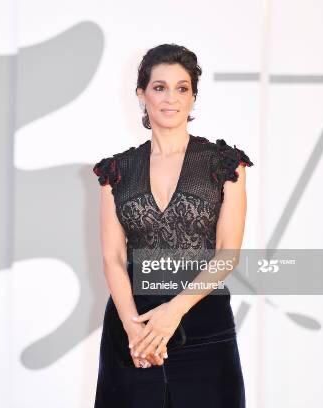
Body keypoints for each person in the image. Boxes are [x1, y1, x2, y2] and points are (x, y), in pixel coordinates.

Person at [92, 44, 252, 408]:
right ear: (141, 93)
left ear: (193, 96)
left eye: (182, 88)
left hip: (203, 323)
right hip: (133, 326)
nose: (171, 98)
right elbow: (112, 258)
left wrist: (173, 312)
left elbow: (227, 253)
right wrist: (133, 329)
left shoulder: (224, 164)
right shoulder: (116, 172)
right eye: (159, 87)